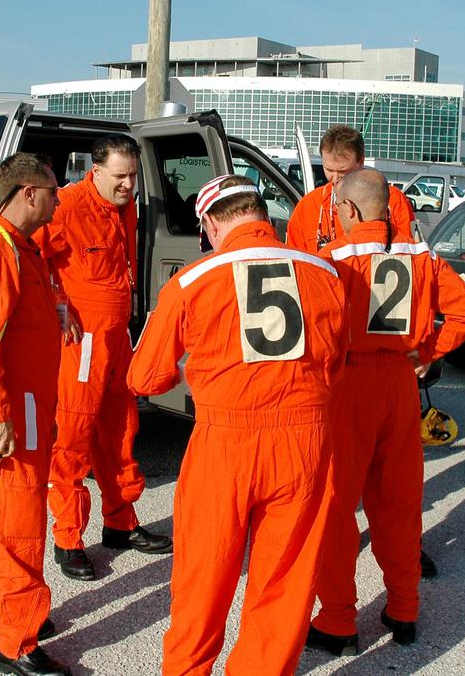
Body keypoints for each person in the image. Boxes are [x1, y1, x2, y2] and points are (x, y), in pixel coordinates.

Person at [128, 174, 347, 676]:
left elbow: (144, 377)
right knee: (286, 580)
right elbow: (337, 358)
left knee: (204, 575)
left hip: (226, 440)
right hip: (306, 440)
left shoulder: (193, 279)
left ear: (209, 222)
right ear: (262, 215)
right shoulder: (325, 272)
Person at [306, 169, 465, 655]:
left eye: (339, 210)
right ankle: (404, 609)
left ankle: (339, 620)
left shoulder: (331, 259)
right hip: (401, 385)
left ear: (350, 210)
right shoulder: (421, 254)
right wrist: (429, 350)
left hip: (349, 385)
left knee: (337, 509)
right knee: (400, 505)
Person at [0, 153, 72, 676]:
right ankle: (16, 642)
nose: (58, 198)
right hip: (13, 410)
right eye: (52, 190)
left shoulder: (21, 248)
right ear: (28, 193)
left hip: (23, 404)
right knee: (20, 522)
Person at [36, 135, 172, 581]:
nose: (128, 184)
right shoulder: (66, 206)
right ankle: (68, 538)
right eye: (120, 176)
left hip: (115, 337)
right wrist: (59, 305)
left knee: (120, 430)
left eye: (132, 176)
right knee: (74, 438)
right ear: (94, 171)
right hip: (84, 341)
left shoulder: (124, 205)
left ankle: (120, 522)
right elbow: (32, 257)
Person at [285, 124, 418, 252]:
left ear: (361, 161)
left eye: (343, 171)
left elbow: (410, 252)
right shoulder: (309, 206)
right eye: (329, 170)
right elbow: (297, 260)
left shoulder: (392, 200)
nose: (336, 178)